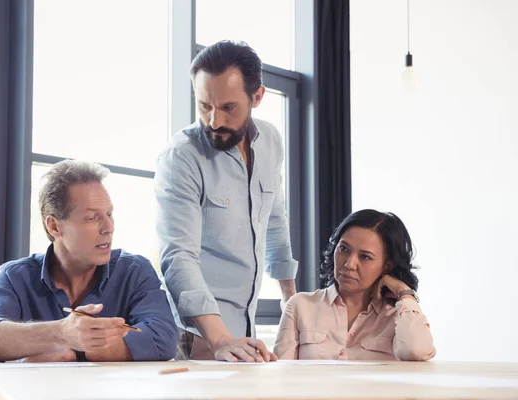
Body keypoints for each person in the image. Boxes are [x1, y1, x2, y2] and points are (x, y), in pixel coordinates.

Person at [155, 40, 298, 363]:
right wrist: (220, 340)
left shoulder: (271, 140)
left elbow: (275, 218)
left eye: (228, 107)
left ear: (257, 97)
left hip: (242, 332)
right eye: (205, 106)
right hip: (196, 338)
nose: (214, 121)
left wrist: (292, 301)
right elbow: (178, 257)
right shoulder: (181, 158)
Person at [0, 160, 177, 362]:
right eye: (92, 217)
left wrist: (81, 350)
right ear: (54, 226)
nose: (108, 227)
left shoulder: (135, 271)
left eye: (109, 214)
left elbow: (164, 337)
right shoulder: (15, 277)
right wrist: (62, 334)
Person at [274, 209, 436, 361]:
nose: (349, 264)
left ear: (387, 265)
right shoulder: (300, 305)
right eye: (344, 249)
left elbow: (417, 351)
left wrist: (404, 292)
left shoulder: (398, 316)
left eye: (365, 257)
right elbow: (282, 375)